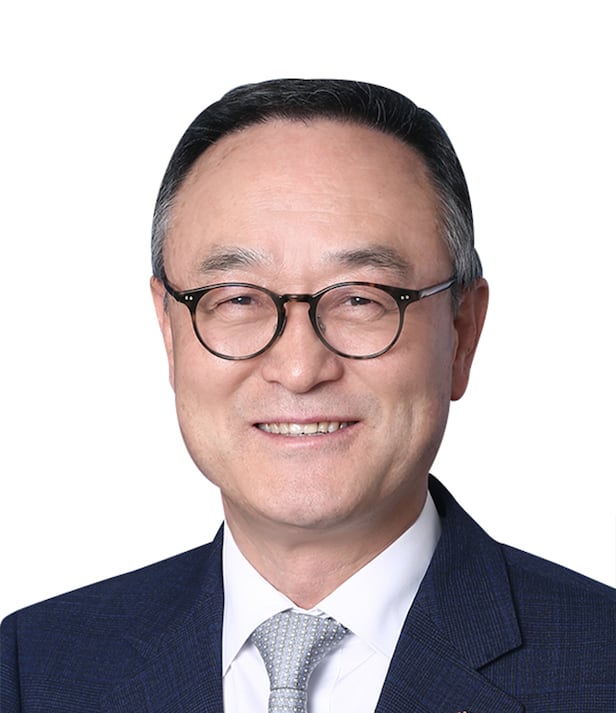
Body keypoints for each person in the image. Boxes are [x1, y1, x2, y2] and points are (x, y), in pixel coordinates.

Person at [1, 79, 614, 713]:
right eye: (238, 298)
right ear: (169, 331)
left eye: (361, 299)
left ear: (462, 333)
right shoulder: (34, 667)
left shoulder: (601, 665)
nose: (298, 369)